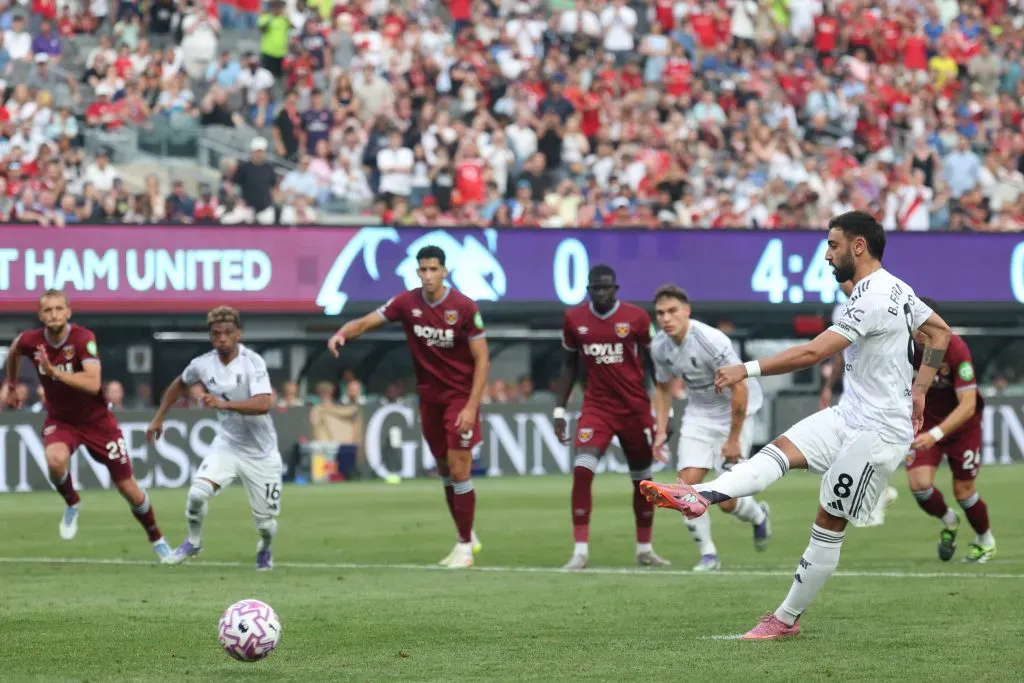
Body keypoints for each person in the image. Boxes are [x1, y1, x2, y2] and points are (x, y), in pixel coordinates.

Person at [641, 211, 952, 639]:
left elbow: (812, 354)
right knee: (778, 450)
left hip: (878, 433)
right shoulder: (897, 288)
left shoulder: (873, 297)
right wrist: (920, 388)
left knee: (829, 523)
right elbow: (938, 331)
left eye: (833, 245)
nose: (827, 255)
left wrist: (745, 370)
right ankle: (701, 494)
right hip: (850, 413)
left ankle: (785, 619)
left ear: (858, 246)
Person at [327, 245, 489, 568]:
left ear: (445, 272)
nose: (428, 276)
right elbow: (368, 321)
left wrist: (471, 407)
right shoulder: (407, 302)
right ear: (418, 272)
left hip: (459, 397)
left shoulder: (464, 307)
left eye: (434, 270)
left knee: (459, 467)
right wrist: (344, 332)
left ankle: (464, 547)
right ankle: (466, 534)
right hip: (429, 398)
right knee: (444, 470)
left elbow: (482, 359)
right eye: (423, 270)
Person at [3, 290, 171, 562]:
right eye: (48, 310)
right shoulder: (31, 341)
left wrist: (54, 372)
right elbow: (13, 351)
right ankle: (72, 502)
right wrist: (10, 385)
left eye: (59, 309)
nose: (54, 314)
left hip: (98, 423)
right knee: (54, 460)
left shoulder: (83, 338)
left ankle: (157, 539)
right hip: (62, 421)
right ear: (40, 315)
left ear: (68, 312)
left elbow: (93, 383)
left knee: (128, 488)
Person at [146, 306, 282, 571]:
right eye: (216, 333)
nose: (222, 338)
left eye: (228, 333)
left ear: (238, 334)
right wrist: (159, 416)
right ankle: (193, 542)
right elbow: (179, 384)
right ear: (211, 337)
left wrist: (221, 404)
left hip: (261, 452)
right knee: (197, 494)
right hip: (228, 445)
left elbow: (264, 403)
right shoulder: (202, 364)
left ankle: (265, 547)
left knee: (265, 524)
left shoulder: (253, 362)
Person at [554, 265, 668, 571]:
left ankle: (645, 548)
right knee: (582, 469)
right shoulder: (574, 319)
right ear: (588, 290)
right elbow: (568, 366)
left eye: (605, 288)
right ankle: (580, 551)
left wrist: (662, 414)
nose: (600, 293)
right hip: (597, 409)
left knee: (642, 482)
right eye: (595, 288)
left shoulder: (637, 318)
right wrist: (559, 410)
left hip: (635, 410)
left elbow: (656, 366)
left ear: (615, 289)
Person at [650, 284, 771, 571]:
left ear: (687, 311)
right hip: (699, 415)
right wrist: (660, 429)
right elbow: (664, 387)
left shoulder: (710, 340)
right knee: (685, 487)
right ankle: (708, 554)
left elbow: (740, 386)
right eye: (660, 313)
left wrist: (733, 439)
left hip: (735, 413)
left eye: (672, 311)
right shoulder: (659, 347)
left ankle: (758, 516)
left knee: (727, 501)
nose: (666, 318)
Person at [907, 297, 993, 563]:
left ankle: (985, 540)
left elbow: (967, 405)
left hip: (961, 427)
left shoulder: (956, 349)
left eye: (923, 328)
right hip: (927, 423)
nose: (918, 334)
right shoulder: (908, 348)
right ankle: (950, 521)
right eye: (914, 327)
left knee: (963, 491)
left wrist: (936, 435)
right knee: (919, 485)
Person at [820, 281, 898, 528]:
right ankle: (879, 493)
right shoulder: (840, 311)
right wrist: (828, 386)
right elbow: (838, 354)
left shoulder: (881, 301)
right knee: (845, 447)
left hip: (880, 389)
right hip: (853, 391)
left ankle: (875, 502)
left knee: (870, 447)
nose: (844, 283)